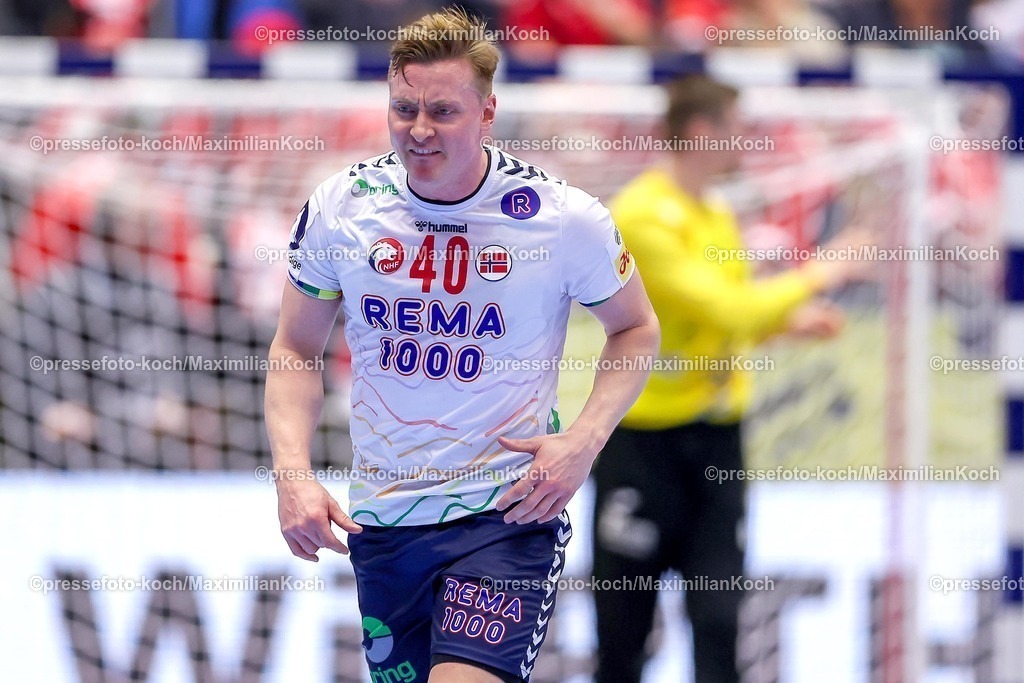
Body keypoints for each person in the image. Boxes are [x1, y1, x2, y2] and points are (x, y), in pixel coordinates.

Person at [264, 8, 660, 683]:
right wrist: (292, 473)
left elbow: (636, 327)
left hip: (505, 517)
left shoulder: (561, 217)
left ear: (487, 112)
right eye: (403, 108)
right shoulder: (342, 205)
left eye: (443, 111)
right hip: (383, 524)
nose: (418, 130)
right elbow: (295, 349)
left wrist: (585, 439)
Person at [591, 75, 866, 683]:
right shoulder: (640, 215)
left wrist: (784, 324)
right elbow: (724, 308)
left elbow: (728, 313)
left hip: (717, 440)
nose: (744, 142)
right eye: (735, 128)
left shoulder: (714, 209)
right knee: (624, 631)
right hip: (643, 444)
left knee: (718, 619)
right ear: (700, 131)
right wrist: (819, 273)